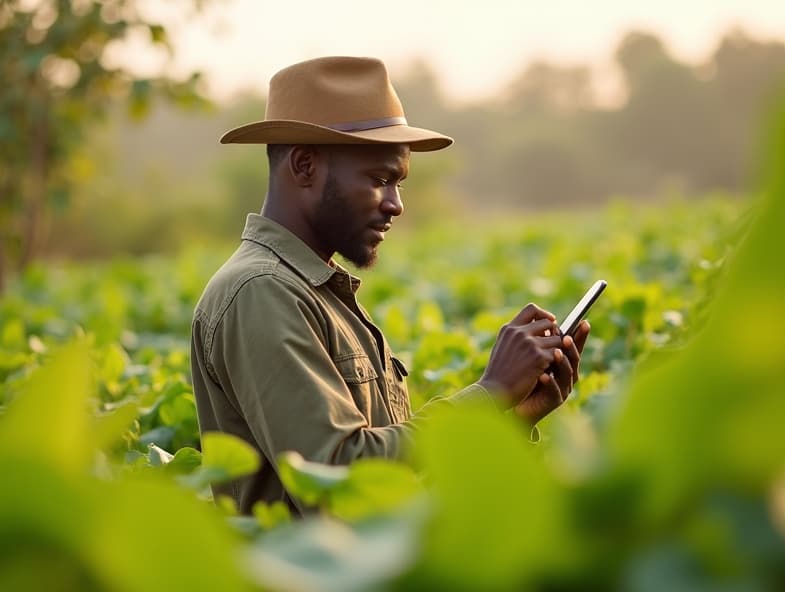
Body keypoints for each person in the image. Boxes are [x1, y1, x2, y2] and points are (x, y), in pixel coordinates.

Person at [190, 56, 590, 515]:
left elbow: (396, 488)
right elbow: (337, 482)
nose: (396, 205)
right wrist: (489, 392)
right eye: (380, 180)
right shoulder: (260, 291)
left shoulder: (316, 291)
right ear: (304, 166)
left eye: (398, 183)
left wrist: (512, 419)